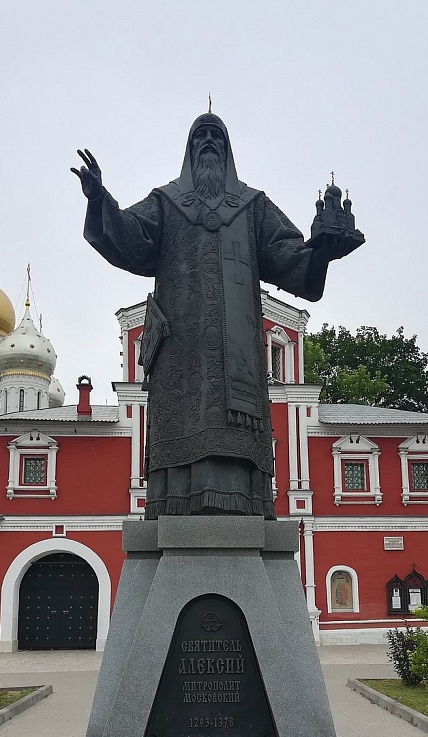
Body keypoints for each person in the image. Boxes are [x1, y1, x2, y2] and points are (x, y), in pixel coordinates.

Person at [72, 113, 358, 518]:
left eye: (216, 136)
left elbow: (289, 256)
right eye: (200, 136)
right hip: (179, 349)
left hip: (236, 353)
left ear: (227, 149)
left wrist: (324, 250)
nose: (209, 142)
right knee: (179, 418)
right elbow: (132, 239)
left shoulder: (252, 205)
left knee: (233, 421)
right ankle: (175, 503)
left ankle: (241, 501)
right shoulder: (166, 202)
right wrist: (100, 199)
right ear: (189, 151)